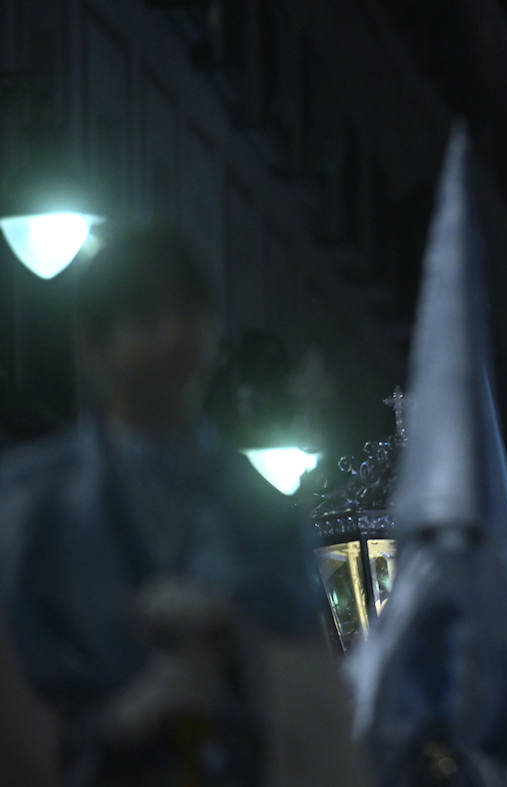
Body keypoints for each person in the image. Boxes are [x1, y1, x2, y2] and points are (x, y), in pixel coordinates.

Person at [0, 225, 364, 785]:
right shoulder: (33, 498)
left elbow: (304, 670)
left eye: (191, 316)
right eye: (146, 320)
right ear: (94, 347)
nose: (174, 338)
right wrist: (116, 720)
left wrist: (235, 639)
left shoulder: (258, 503)